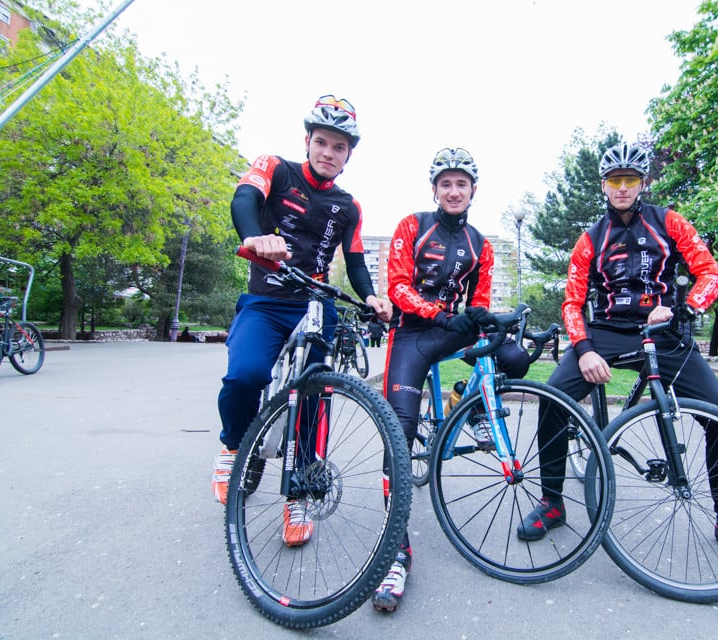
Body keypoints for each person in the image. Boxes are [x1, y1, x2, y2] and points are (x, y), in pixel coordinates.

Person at [520, 141, 718, 565]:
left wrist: (686, 308)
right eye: (615, 181)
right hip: (609, 330)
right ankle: (552, 502)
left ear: (642, 183)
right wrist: (583, 348)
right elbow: (572, 303)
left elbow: (711, 275)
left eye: (630, 180)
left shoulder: (670, 222)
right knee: (553, 398)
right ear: (604, 186)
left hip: (664, 329)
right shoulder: (590, 238)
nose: (622, 188)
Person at [212, 95, 392, 549]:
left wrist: (372, 296)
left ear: (348, 155)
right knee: (245, 375)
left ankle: (301, 496)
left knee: (315, 399)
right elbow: (244, 199)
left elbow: (354, 261)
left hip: (315, 304)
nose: (328, 153)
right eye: (322, 142)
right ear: (307, 141)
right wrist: (255, 237)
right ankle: (232, 446)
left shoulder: (349, 206)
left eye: (339, 147)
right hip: (267, 299)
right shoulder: (275, 167)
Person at [371, 148, 529, 613]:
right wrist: (438, 314)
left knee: (515, 358)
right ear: (435, 190)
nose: (454, 191)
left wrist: (481, 317)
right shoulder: (412, 226)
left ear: (473, 191)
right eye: (446, 184)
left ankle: (471, 402)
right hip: (413, 334)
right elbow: (397, 286)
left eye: (462, 184)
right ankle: (395, 554)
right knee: (396, 436)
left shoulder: (481, 242)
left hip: (450, 329)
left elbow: (478, 301)